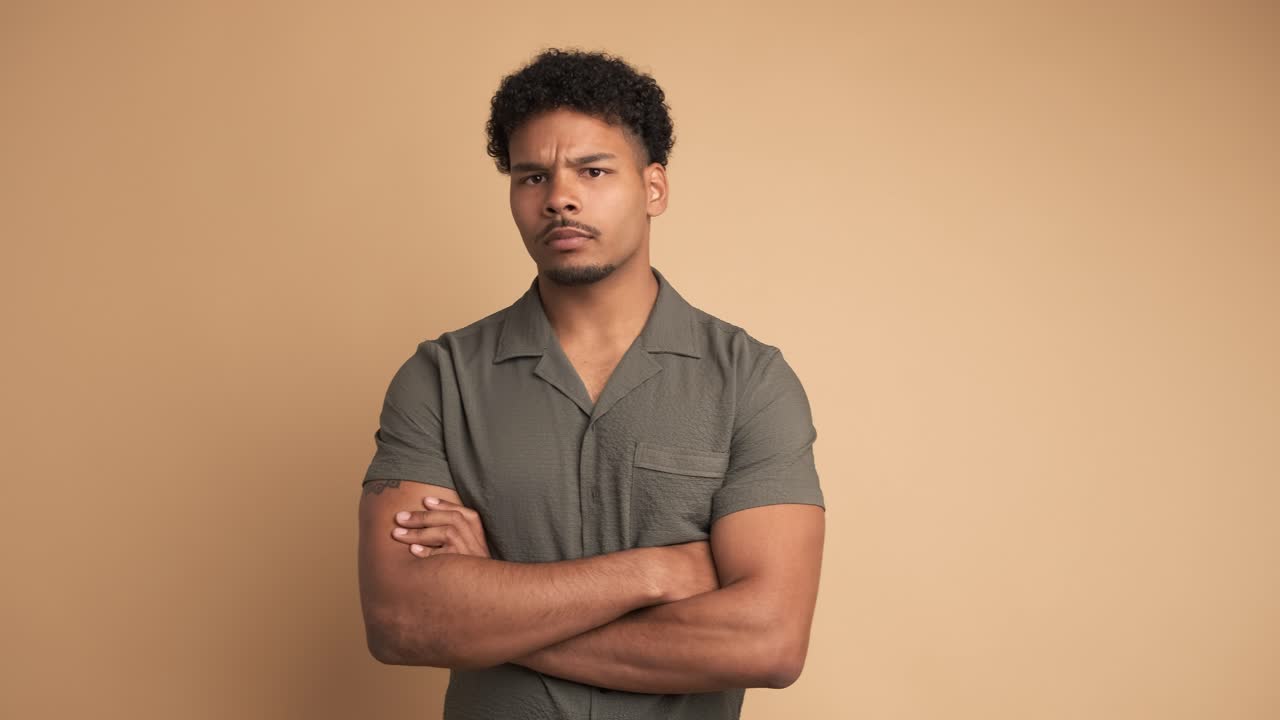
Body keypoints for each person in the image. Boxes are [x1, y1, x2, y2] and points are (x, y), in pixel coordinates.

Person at [357, 47, 826, 720]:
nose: (559, 198)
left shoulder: (752, 381)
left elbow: (769, 641)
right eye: (530, 176)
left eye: (593, 170)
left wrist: (492, 604)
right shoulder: (440, 379)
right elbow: (402, 621)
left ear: (654, 188)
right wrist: (657, 573)